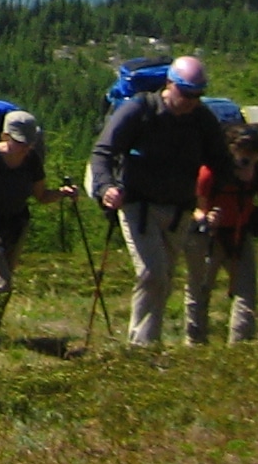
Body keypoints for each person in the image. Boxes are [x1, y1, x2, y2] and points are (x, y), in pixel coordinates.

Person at [89, 54, 235, 347]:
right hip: (137, 206)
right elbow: (103, 151)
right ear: (170, 84)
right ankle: (142, 348)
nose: (192, 100)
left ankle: (146, 344)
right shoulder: (139, 110)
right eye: (187, 93)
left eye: (198, 94)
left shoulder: (201, 119)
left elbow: (222, 164)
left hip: (179, 210)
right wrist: (105, 187)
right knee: (152, 272)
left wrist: (212, 203)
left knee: (163, 278)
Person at [0, 109, 76, 348]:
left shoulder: (31, 161)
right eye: (20, 142)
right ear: (5, 136)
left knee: (4, 285)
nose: (25, 148)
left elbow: (41, 196)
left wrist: (62, 194)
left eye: (29, 143)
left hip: (15, 227)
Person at [190, 126, 258, 344]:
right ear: (231, 151)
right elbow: (195, 209)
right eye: (244, 156)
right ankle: (195, 345)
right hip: (208, 238)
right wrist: (205, 217)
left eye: (253, 157)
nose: (247, 162)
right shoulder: (210, 173)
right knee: (200, 291)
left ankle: (240, 346)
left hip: (240, 238)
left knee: (246, 292)